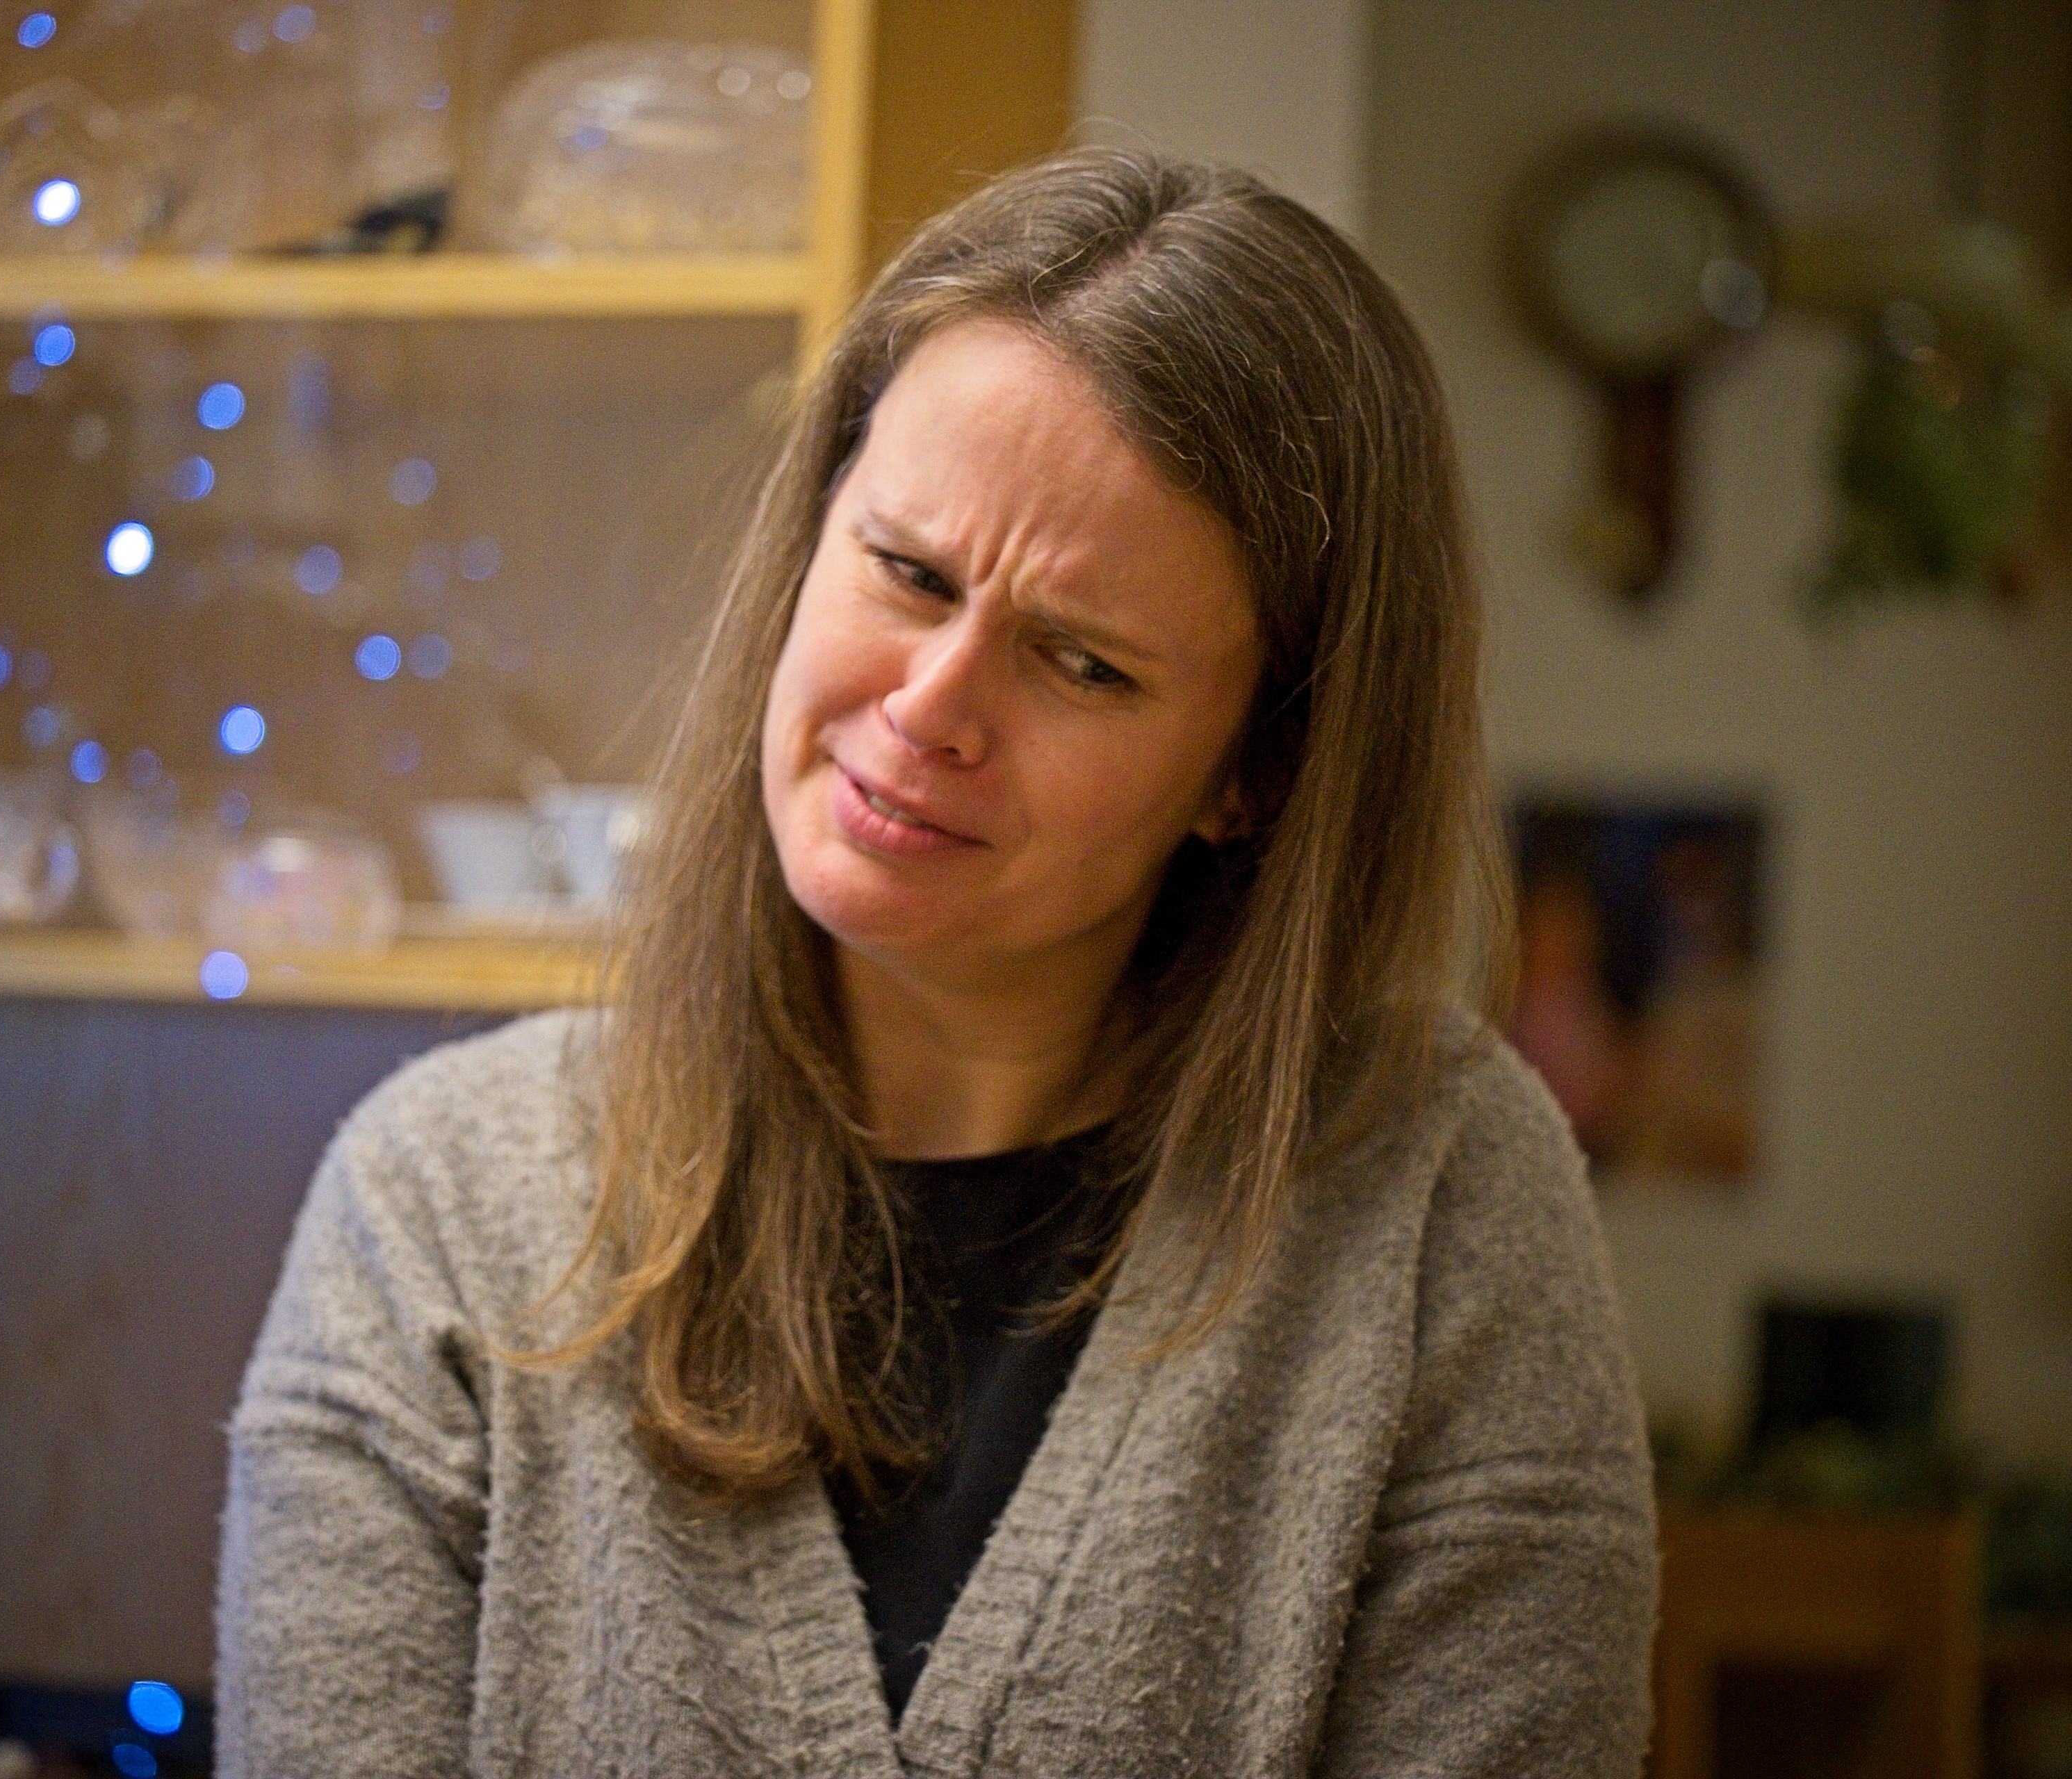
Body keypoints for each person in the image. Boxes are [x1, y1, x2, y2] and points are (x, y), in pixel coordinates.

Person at [217, 149, 1656, 1778]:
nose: (928, 707)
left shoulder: (1440, 1197)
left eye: (1081, 662)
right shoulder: (438, 1202)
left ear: (1254, 771)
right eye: (906, 572)